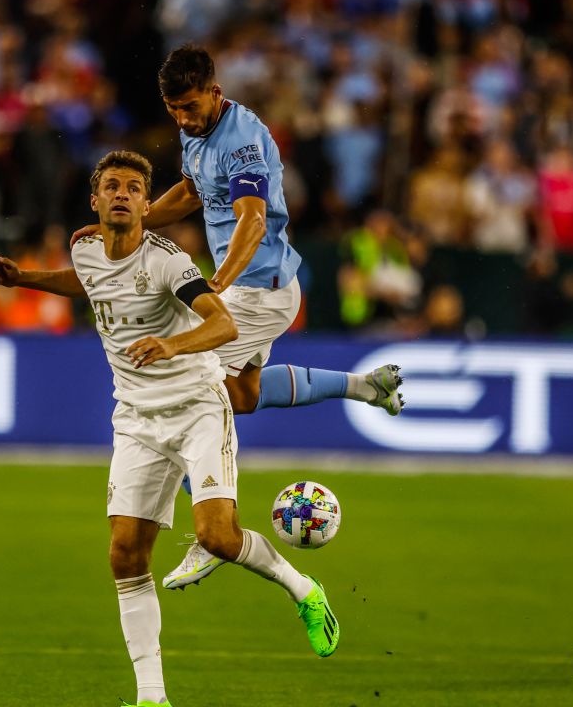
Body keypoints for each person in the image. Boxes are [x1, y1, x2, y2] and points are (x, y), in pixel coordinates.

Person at [0, 151, 340, 707]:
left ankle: (306, 591)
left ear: (148, 205)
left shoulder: (170, 261)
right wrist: (22, 278)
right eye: (112, 186)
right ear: (95, 200)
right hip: (135, 419)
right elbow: (88, 282)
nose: (122, 194)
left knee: (216, 537)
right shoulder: (84, 248)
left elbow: (222, 323)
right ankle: (152, 698)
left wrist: (170, 344)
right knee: (125, 555)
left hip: (198, 405)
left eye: (133, 187)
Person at [75, 44, 404, 592]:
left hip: (255, 290)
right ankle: (366, 387)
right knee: (242, 395)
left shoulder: (242, 141)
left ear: (215, 94)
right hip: (261, 289)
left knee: (190, 390)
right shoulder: (196, 131)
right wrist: (133, 220)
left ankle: (213, 536)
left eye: (190, 107)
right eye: (173, 109)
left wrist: (218, 283)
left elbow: (251, 218)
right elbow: (192, 191)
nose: (182, 118)